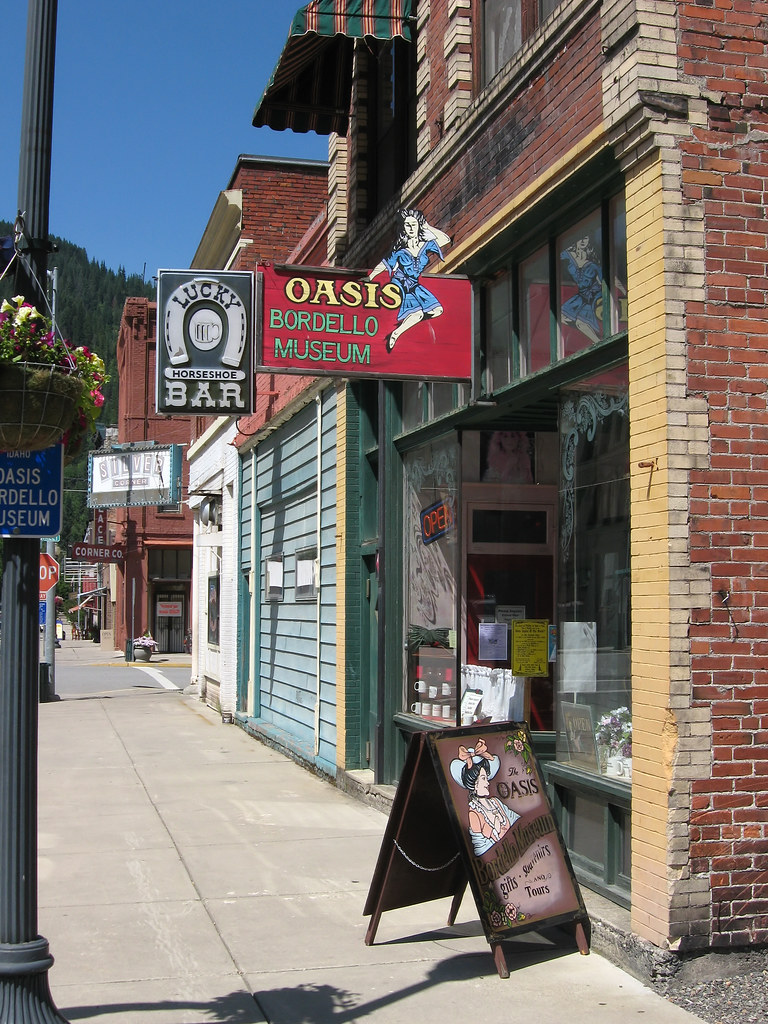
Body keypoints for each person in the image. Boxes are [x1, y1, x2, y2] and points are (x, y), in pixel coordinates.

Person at [368, 208, 451, 352]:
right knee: (417, 313)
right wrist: (370, 277)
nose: (411, 228)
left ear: (419, 225)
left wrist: (426, 225)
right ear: (404, 228)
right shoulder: (399, 249)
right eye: (407, 225)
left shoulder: (425, 245)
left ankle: (407, 323)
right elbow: (384, 264)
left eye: (414, 224)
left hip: (415, 285)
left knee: (438, 310)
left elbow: (445, 239)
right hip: (400, 283)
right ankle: (395, 334)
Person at [450, 738, 520, 856]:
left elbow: (518, 821)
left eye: (487, 778)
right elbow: (480, 852)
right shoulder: (474, 814)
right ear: (474, 785)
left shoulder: (496, 802)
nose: (487, 783)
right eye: (483, 779)